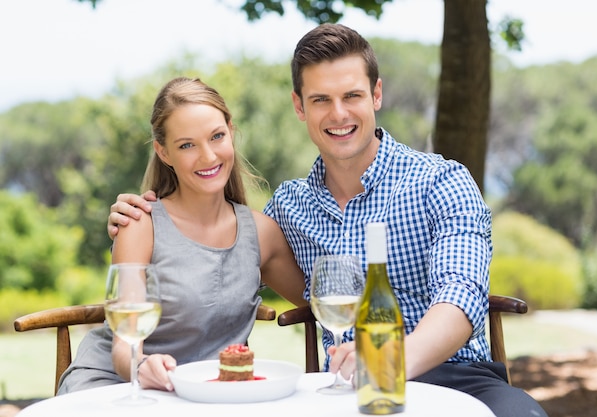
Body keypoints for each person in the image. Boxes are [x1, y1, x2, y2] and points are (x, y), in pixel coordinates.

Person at [107, 25, 547, 417]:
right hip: (340, 393)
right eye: (321, 100)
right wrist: (146, 219)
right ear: (300, 107)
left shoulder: (441, 182)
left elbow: (461, 295)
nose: (338, 114)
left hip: (455, 377)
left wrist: (386, 362)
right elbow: (211, 246)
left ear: (376, 95)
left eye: (352, 96)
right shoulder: (289, 208)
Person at [58, 77, 306, 395]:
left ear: (231, 131)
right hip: (118, 386)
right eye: (187, 145)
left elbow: (320, 301)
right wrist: (141, 364)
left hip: (202, 395)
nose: (208, 156)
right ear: (163, 152)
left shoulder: (261, 233)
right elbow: (124, 347)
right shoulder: (140, 224)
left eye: (216, 136)